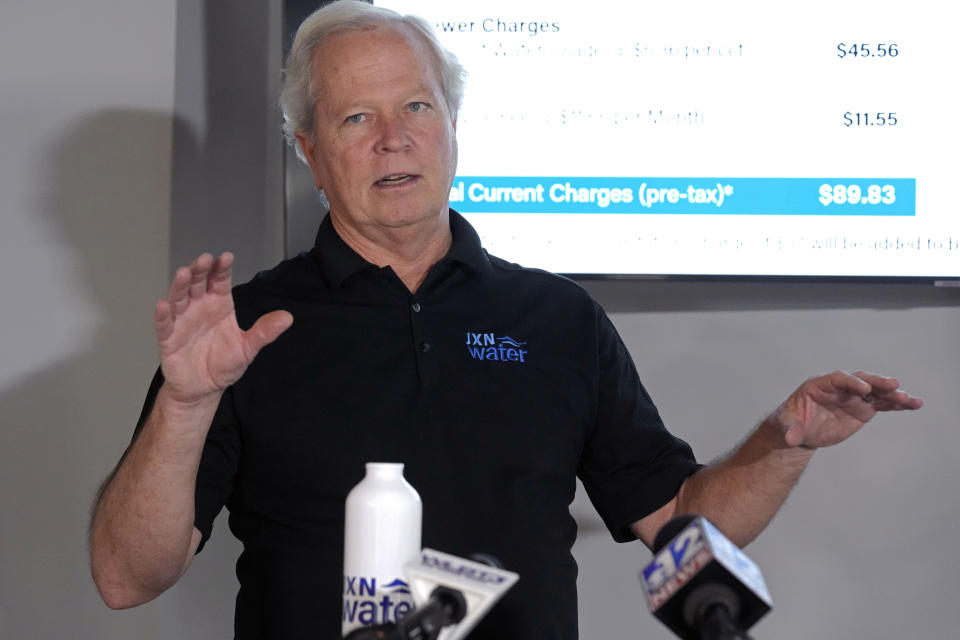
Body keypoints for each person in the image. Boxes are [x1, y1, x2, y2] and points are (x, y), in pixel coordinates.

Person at [88, 1, 923, 638]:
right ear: (308, 147)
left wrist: (784, 443)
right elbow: (126, 577)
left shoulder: (559, 317)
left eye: (416, 108)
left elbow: (674, 529)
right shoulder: (243, 330)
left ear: (453, 125)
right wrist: (187, 405)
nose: (393, 141)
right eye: (355, 118)